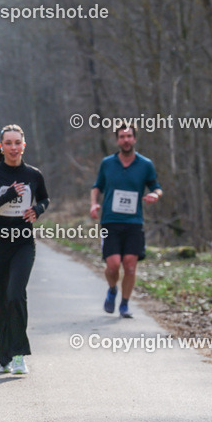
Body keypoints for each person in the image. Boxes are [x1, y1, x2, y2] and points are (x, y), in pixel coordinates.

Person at [0, 125, 49, 375]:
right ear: (2, 146)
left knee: (16, 294)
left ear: (23, 146)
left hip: (24, 243)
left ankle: (18, 355)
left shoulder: (33, 174)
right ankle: (3, 355)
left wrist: (38, 210)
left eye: (18, 143)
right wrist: (7, 197)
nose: (14, 147)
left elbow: (45, 198)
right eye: (9, 143)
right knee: (1, 300)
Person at [90, 124, 162, 318]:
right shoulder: (107, 163)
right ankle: (112, 289)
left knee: (130, 265)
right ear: (117, 140)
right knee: (113, 265)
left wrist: (155, 195)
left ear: (135, 139)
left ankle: (125, 304)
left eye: (129, 136)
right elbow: (97, 187)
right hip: (110, 221)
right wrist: (93, 204)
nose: (126, 140)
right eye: (122, 136)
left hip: (134, 222)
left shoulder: (145, 164)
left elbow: (156, 186)